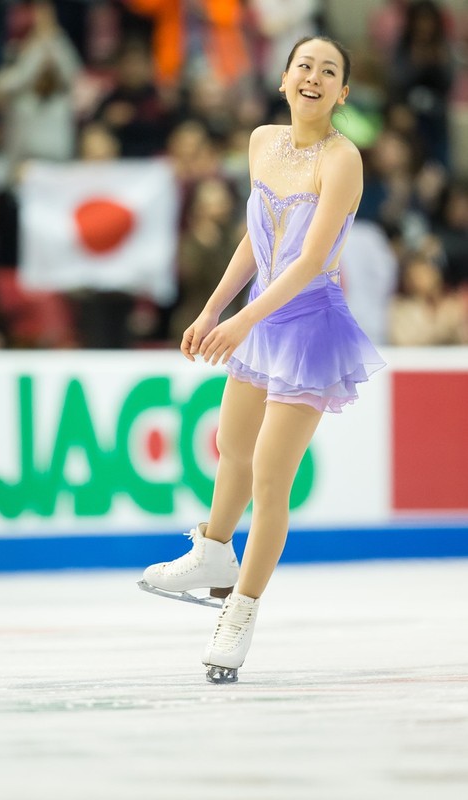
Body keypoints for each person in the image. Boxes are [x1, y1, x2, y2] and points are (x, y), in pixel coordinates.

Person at [139, 36, 386, 683]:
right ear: (282, 79)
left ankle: (240, 611)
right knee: (232, 447)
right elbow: (258, 237)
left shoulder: (343, 159)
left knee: (272, 478)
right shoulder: (259, 142)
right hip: (257, 318)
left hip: (307, 327)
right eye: (303, 66)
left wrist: (244, 318)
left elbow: (307, 260)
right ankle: (214, 551)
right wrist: (213, 309)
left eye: (328, 71)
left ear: (342, 93)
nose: (313, 77)